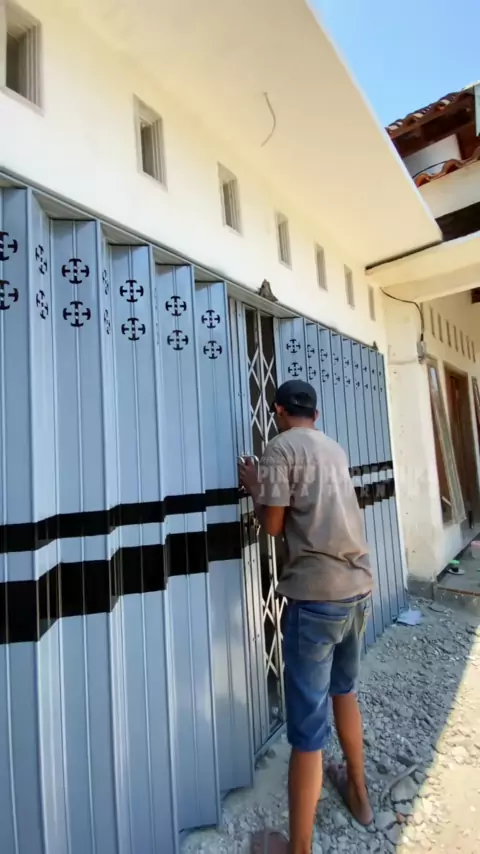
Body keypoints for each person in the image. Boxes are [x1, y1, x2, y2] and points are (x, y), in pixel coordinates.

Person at [239, 379, 373, 854]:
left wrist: (255, 487)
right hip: (356, 588)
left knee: (307, 729)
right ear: (315, 413)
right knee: (344, 690)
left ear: (277, 411)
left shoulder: (280, 448)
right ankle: (359, 794)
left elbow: (274, 525)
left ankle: (298, 847)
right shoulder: (333, 448)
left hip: (316, 598)